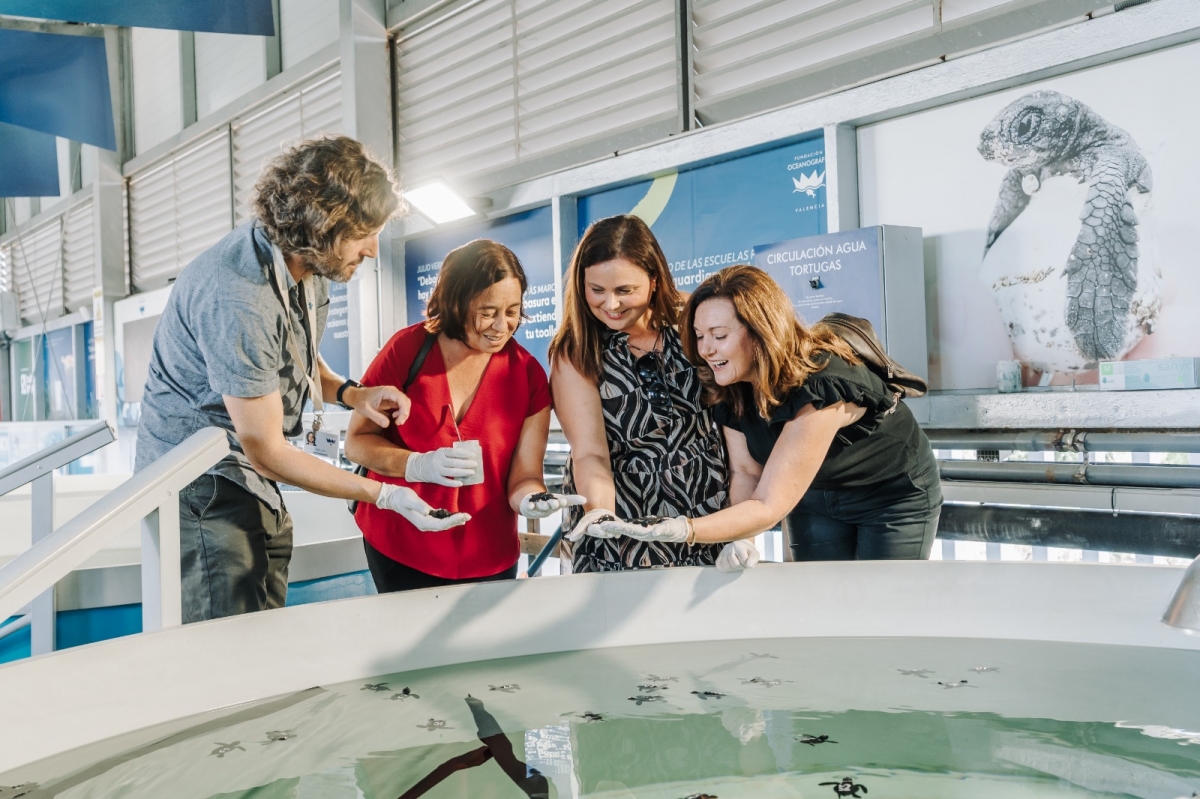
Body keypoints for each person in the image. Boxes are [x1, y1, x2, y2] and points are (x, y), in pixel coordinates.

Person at [135, 136, 465, 624]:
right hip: (201, 484)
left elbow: (296, 358)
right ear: (323, 223)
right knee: (227, 638)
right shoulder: (238, 295)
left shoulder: (308, 264)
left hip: (250, 475)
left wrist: (352, 394)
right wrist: (385, 492)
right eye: (364, 234)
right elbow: (265, 449)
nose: (373, 249)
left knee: (265, 621)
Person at [587, 264, 941, 561]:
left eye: (719, 335)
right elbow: (746, 471)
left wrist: (686, 529)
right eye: (698, 336)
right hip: (813, 492)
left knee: (880, 607)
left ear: (759, 333)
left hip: (891, 495)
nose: (706, 349)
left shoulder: (823, 383)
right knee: (821, 606)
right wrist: (744, 538)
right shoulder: (728, 382)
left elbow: (770, 503)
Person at [345, 239, 583, 592]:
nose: (501, 326)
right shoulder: (407, 349)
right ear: (455, 302)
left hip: (488, 554)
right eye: (487, 312)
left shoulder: (528, 375)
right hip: (400, 544)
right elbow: (358, 444)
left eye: (512, 311)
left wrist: (532, 500)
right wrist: (417, 465)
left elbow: (525, 475)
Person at [549, 214, 745, 572]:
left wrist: (741, 524)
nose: (611, 304)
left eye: (625, 290)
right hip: (622, 514)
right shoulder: (576, 350)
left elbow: (735, 419)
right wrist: (600, 514)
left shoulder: (693, 317)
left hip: (704, 507)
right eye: (597, 291)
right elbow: (590, 452)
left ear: (654, 281)